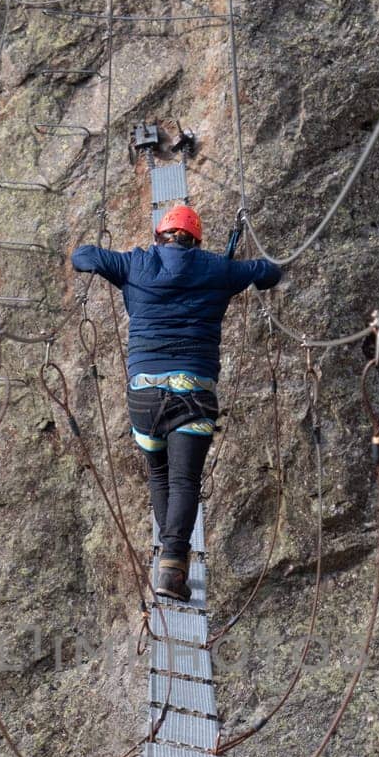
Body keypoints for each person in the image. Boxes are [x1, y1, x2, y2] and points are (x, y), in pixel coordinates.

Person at [71, 204, 281, 600]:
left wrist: (116, 264)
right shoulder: (219, 269)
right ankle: (171, 568)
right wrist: (239, 268)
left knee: (160, 475)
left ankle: (171, 561)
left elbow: (82, 257)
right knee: (184, 479)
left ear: (159, 237)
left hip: (145, 394)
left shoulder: (135, 263)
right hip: (193, 392)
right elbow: (270, 272)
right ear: (196, 241)